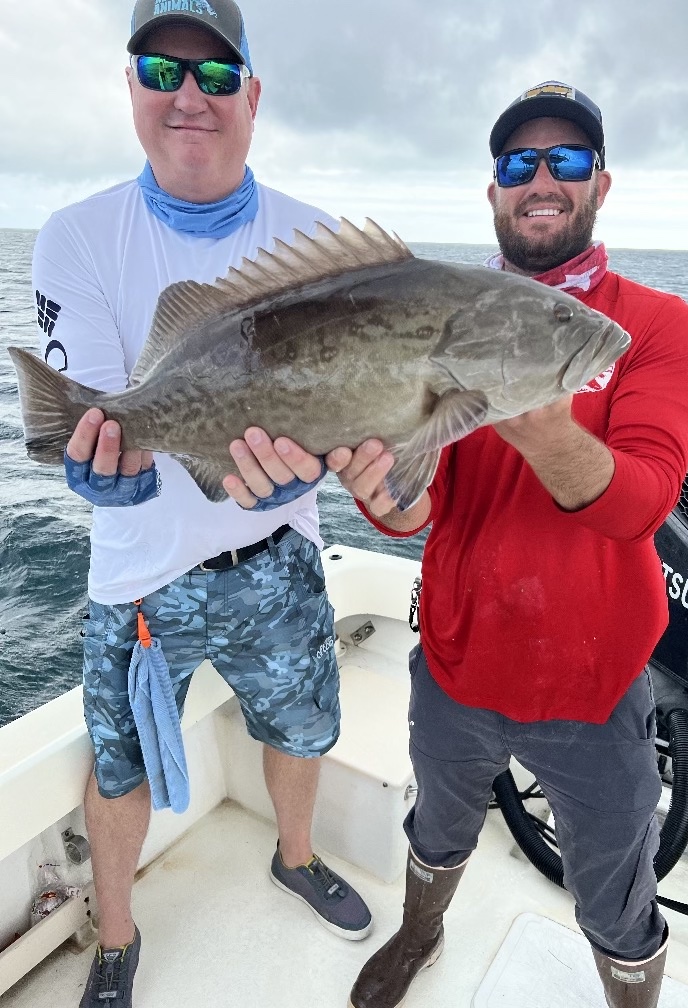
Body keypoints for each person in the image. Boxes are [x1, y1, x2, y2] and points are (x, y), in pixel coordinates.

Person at [327, 81, 688, 1008]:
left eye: (566, 160)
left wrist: (536, 417)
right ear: (494, 191)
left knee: (616, 882)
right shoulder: (446, 320)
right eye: (518, 163)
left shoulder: (656, 329)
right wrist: (382, 491)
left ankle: (629, 988)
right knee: (437, 829)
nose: (541, 178)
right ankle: (420, 938)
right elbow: (421, 508)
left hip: (596, 685)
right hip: (456, 666)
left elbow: (642, 502)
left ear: (600, 184)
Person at [32, 3, 372, 1005]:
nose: (190, 94)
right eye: (162, 68)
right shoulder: (77, 236)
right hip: (139, 575)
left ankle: (296, 857)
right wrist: (107, 466)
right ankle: (116, 935)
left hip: (279, 552)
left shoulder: (316, 235)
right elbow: (88, 439)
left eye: (218, 76)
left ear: (253, 98)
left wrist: (324, 459)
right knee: (120, 762)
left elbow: (346, 401)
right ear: (130, 86)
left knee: (303, 729)